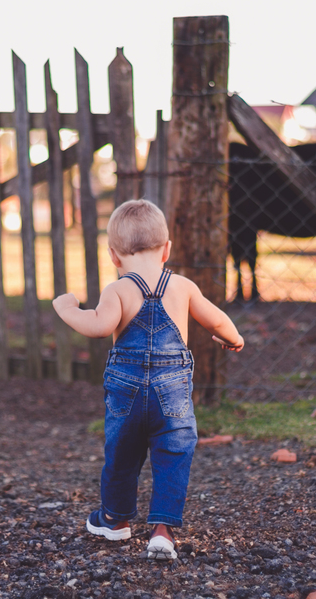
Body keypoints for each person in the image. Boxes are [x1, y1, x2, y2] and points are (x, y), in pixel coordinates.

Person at [52, 199, 244, 560]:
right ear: (167, 249)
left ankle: (114, 520)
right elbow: (217, 320)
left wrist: (67, 309)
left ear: (113, 255)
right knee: (173, 454)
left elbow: (98, 327)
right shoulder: (182, 287)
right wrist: (233, 338)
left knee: (121, 453)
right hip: (172, 390)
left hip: (126, 391)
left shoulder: (118, 290)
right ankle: (162, 532)